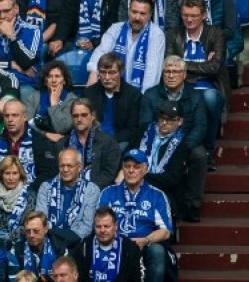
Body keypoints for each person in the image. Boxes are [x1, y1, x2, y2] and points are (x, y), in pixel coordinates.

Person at [166, 0, 229, 174]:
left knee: (210, 98)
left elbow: (214, 68)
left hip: (209, 86)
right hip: (181, 87)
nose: (189, 19)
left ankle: (208, 150)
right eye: (185, 15)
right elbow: (170, 64)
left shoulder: (216, 34)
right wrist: (202, 65)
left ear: (203, 15)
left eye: (194, 15)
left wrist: (183, 65)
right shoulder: (174, 34)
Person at [140, 56, 209, 219]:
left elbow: (200, 126)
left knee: (199, 155)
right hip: (157, 141)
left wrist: (182, 147)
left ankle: (192, 204)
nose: (171, 75)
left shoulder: (195, 96)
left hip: (186, 143)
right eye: (167, 71)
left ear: (184, 74)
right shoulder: (151, 94)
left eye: (176, 72)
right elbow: (144, 124)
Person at [99, 150, 173, 282]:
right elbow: (100, 224)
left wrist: (146, 240)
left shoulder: (156, 195)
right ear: (123, 169)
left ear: (145, 169)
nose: (131, 170)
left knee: (157, 251)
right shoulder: (108, 193)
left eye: (136, 167)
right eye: (127, 166)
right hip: (115, 243)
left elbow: (165, 231)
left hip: (145, 244)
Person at [87, 0, 166, 93]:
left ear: (150, 15)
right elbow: (101, 51)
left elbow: (152, 72)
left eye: (142, 14)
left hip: (140, 94)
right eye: (134, 12)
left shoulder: (156, 34)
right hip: (115, 92)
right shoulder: (116, 28)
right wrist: (94, 72)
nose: (137, 17)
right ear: (128, 11)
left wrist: (144, 97)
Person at [0, 99, 63, 191]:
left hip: (32, 194)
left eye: (14, 115)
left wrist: (28, 191)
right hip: (0, 194)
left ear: (24, 117)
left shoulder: (39, 141)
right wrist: (0, 191)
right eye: (6, 116)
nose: (10, 119)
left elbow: (48, 173)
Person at [0, 0, 43, 94]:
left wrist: (12, 37)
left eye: (6, 11)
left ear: (16, 9)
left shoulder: (33, 31)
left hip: (22, 83)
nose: (2, 16)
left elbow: (27, 63)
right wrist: (10, 64)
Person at [35, 148, 100, 247]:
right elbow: (41, 220)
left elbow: (87, 226)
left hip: (76, 243)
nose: (65, 170)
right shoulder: (46, 187)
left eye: (69, 166)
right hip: (48, 241)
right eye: (62, 166)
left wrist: (63, 239)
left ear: (79, 167)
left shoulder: (91, 190)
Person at [81, 53, 143, 149]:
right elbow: (83, 122)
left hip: (120, 141)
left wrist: (108, 141)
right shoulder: (89, 93)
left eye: (112, 72)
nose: (107, 77)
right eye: (103, 72)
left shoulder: (134, 95)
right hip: (93, 140)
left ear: (121, 72)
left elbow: (132, 129)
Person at [134, 101, 190, 203]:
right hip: (134, 184)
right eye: (162, 118)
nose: (164, 122)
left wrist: (140, 176)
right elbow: (129, 153)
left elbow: (171, 179)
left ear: (180, 121)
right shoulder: (144, 131)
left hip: (164, 191)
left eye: (169, 120)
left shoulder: (182, 144)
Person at [70, 206, 143, 282]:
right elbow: (79, 278)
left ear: (116, 226)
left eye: (106, 226)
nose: (102, 230)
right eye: (98, 226)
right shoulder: (83, 247)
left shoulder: (130, 248)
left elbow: (135, 279)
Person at [66, 98, 121, 189]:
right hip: (69, 191)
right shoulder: (63, 144)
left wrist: (89, 190)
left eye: (84, 115)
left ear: (93, 116)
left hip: (98, 191)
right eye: (75, 116)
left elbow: (109, 173)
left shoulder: (108, 143)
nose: (79, 119)